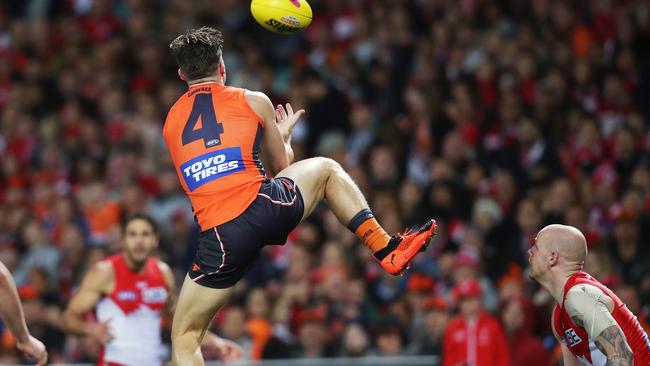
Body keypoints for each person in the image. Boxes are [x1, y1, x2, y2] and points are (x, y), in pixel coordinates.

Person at [163, 26, 437, 365]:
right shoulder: (253, 100)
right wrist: (283, 137)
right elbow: (282, 167)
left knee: (185, 338)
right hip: (263, 207)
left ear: (181, 73)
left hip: (220, 240)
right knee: (325, 169)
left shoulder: (171, 121)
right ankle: (387, 249)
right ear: (222, 66)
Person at [62, 213, 242, 366]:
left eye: (145, 234)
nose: (139, 241)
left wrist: (214, 341)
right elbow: (68, 318)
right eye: (132, 235)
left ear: (155, 239)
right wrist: (90, 329)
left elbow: (179, 323)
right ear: (123, 240)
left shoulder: (163, 273)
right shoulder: (105, 272)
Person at [528, 224, 650, 365]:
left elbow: (622, 356)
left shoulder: (579, 296)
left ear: (552, 257)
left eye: (536, 247)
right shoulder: (558, 317)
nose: (529, 252)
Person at [442, 279, 510, 366]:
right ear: (459, 304)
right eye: (464, 300)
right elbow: (448, 359)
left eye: (472, 299)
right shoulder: (452, 328)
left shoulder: (492, 326)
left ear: (480, 300)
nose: (469, 304)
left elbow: (502, 357)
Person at [0, 261, 48, 366]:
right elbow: (1, 278)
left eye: (33, 302)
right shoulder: (5, 326)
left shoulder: (48, 325)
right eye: (26, 302)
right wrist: (24, 339)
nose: (30, 307)